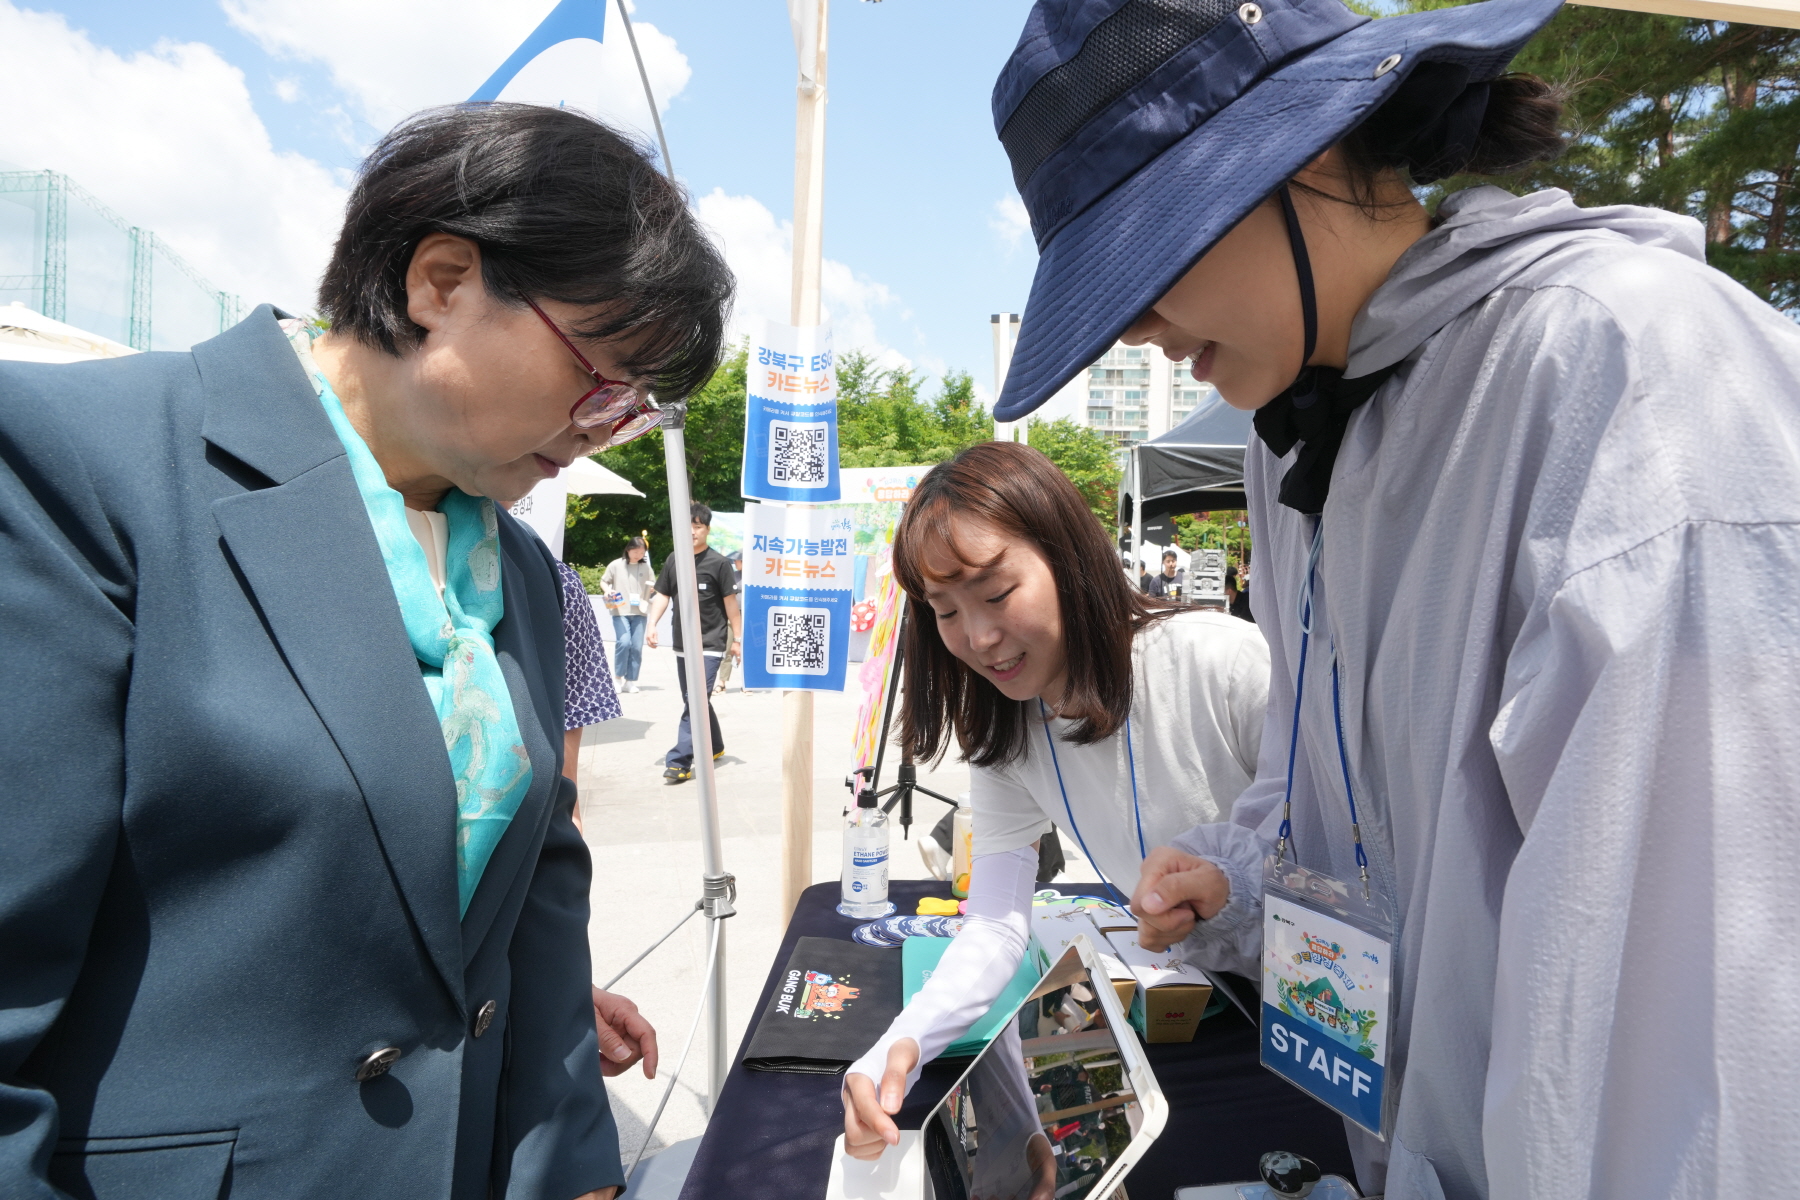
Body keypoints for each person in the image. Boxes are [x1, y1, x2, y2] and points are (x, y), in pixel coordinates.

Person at [982, 0, 1800, 1195]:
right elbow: (1327, 790)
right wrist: (1240, 876)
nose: (1137, 329)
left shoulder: (1622, 369)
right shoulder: (1295, 436)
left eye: (1145, 256)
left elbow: (1693, 1057)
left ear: (1309, 145)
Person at [0, 102, 731, 1200]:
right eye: (599, 375)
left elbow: (535, 904)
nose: (599, 423)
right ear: (441, 282)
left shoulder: (523, 574)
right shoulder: (93, 468)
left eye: (629, 407)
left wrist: (576, 1167)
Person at [841, 441, 1269, 1159]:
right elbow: (999, 923)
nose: (978, 638)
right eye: (945, 611)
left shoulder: (1222, 663)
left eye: (997, 594)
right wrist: (899, 1044)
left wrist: (1241, 885)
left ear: (1067, 557)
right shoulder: (1006, 726)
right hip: (1219, 1010)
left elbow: (1364, 849)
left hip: (1342, 1014)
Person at [645, 502, 742, 784]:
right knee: (695, 700)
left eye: (697, 526)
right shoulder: (675, 559)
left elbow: (731, 608)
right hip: (682, 644)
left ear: (707, 529)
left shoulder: (719, 563)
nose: (691, 531)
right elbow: (662, 594)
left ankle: (679, 761)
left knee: (696, 701)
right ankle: (715, 745)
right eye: (687, 525)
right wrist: (651, 624)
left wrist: (737, 640)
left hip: (710, 644)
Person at [600, 536, 654, 693]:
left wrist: (652, 589)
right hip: (619, 610)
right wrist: (608, 590)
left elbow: (652, 584)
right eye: (635, 551)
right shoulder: (616, 565)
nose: (638, 554)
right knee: (624, 643)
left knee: (636, 647)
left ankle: (630, 681)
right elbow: (603, 581)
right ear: (628, 550)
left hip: (640, 611)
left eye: (642, 552)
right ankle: (617, 678)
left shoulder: (646, 568)